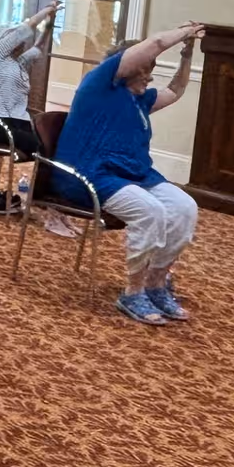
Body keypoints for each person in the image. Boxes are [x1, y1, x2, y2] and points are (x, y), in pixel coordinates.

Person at [53, 23, 204, 326]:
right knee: (151, 212)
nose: (149, 76)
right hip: (91, 172)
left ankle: (156, 283)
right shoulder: (100, 84)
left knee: (185, 208)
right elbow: (158, 39)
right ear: (126, 67)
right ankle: (132, 291)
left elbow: (175, 91)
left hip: (133, 173)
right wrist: (184, 33)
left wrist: (187, 55)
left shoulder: (138, 99)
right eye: (145, 69)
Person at [0, 0, 62, 214]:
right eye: (13, 37)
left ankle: (44, 196)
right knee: (45, 148)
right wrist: (46, 9)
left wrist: (50, 22)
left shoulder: (19, 63)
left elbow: (39, 47)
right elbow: (24, 30)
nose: (21, 39)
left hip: (18, 122)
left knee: (54, 145)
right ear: (3, 42)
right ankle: (42, 198)